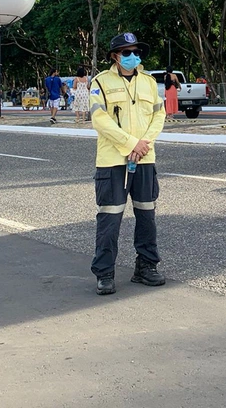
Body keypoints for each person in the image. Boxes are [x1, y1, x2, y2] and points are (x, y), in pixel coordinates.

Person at [90, 32, 166, 295]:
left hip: (145, 158)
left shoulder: (149, 82)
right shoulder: (100, 82)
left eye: (136, 51)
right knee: (110, 218)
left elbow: (159, 116)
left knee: (147, 215)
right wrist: (130, 144)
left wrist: (143, 143)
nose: (132, 56)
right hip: (113, 160)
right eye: (126, 52)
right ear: (114, 56)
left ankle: (146, 266)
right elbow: (99, 119)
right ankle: (105, 272)